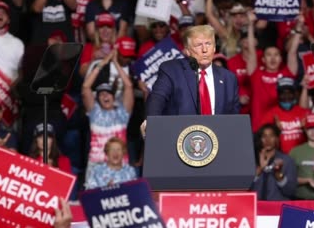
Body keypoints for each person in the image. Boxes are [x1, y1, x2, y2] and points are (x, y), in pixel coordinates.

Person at [145, 25, 239, 116]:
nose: (204, 49)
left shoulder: (228, 78)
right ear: (187, 51)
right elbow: (157, 99)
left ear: (214, 48)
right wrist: (151, 123)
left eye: (208, 44)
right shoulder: (171, 70)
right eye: (198, 45)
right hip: (179, 131)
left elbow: (233, 119)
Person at [82, 49, 134, 181]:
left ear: (113, 97)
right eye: (101, 94)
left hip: (120, 165)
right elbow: (86, 87)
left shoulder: (122, 113)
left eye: (108, 93)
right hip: (96, 165)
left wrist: (115, 62)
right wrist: (104, 62)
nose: (105, 95)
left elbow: (128, 86)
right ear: (98, 99)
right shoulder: (95, 112)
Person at [251, 124, 298, 201]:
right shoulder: (253, 160)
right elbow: (247, 189)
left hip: (277, 208)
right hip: (257, 207)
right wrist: (260, 169)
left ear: (277, 138)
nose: (267, 140)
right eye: (264, 136)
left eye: (271, 136)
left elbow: (291, 192)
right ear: (259, 139)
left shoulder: (287, 161)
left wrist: (279, 176)